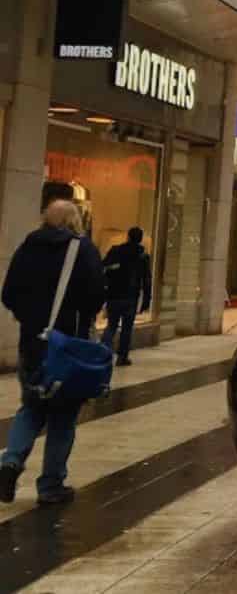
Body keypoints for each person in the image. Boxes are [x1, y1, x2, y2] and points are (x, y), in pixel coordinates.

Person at [0, 200, 106, 505]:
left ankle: (10, 463)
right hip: (68, 346)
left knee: (31, 405)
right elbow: (96, 295)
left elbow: (8, 294)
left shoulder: (29, 246)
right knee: (63, 414)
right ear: (75, 220)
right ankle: (50, 485)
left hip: (32, 343)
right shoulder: (82, 249)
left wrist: (30, 319)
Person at [101, 227, 152, 366]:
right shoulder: (143, 256)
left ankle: (102, 353)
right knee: (127, 328)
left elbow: (103, 267)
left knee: (111, 325)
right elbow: (147, 280)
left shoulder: (116, 251)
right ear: (140, 239)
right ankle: (122, 357)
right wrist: (146, 301)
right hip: (131, 297)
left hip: (114, 294)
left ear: (128, 237)